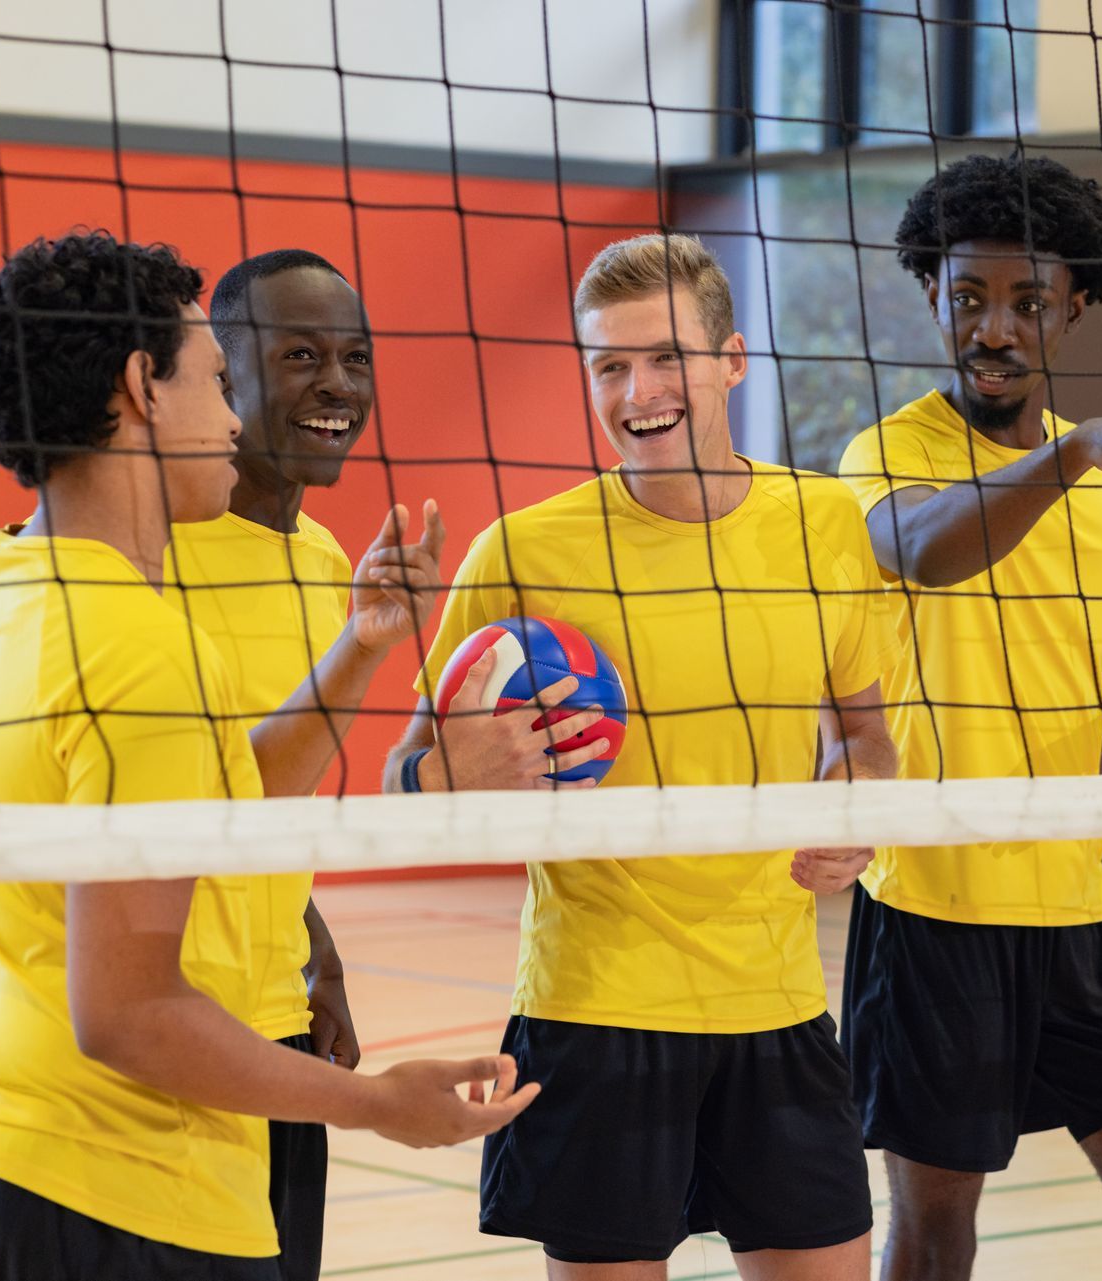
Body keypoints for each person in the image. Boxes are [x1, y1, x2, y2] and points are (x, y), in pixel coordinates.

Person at [0, 230, 535, 1281]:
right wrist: (379, 1104)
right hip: (122, 1184)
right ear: (141, 389)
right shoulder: (141, 646)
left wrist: (360, 646)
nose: (234, 413)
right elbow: (130, 1014)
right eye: (212, 377)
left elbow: (224, 798)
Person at [385, 232, 896, 1278]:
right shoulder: (525, 552)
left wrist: (855, 817)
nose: (638, 390)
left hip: (782, 1005)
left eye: (665, 357)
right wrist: (452, 776)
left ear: (733, 359)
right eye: (609, 366)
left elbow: (867, 740)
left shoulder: (827, 523)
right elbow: (412, 770)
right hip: (595, 1011)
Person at [833, 153, 1102, 1281]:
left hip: (1076, 909)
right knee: (933, 1241)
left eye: (1025, 302)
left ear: (1073, 306)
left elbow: (1081, 674)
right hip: (934, 912)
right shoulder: (887, 455)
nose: (994, 329)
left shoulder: (1097, 483)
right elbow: (922, 554)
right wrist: (1074, 450)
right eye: (968, 299)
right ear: (933, 299)